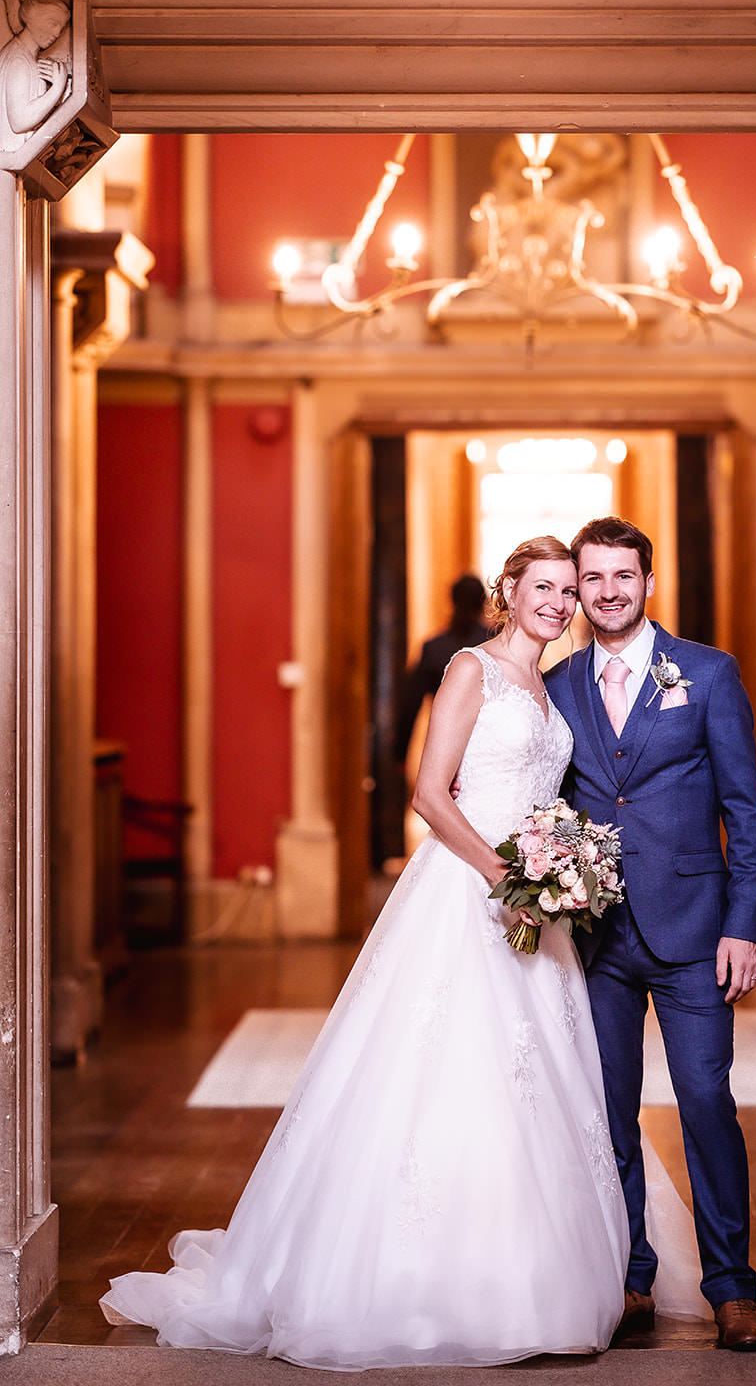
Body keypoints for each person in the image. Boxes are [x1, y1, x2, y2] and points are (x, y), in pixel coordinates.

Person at [101, 537, 705, 1370]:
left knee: (545, 1080)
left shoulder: (553, 682)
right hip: (471, 891)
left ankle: (549, 1275)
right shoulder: (472, 668)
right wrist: (504, 874)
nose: (560, 604)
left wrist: (560, 866)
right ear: (508, 591)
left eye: (569, 591)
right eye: (544, 588)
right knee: (449, 1068)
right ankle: (424, 1280)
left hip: (543, 905)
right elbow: (429, 792)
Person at [545, 515, 756, 1352]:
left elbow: (744, 812)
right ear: (578, 586)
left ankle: (732, 1291)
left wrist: (743, 925)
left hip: (693, 932)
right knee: (607, 1114)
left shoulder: (707, 674)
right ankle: (630, 1277)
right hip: (595, 936)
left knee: (706, 1102)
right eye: (592, 579)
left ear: (648, 582)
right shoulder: (558, 681)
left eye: (622, 577)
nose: (608, 592)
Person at [393, 572, 492, 763]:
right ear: (483, 603)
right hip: (490, 745)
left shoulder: (434, 648)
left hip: (444, 748)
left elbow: (410, 704)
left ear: (452, 601)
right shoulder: (495, 641)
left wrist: (400, 754)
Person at [0, 0, 71, 153]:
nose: (56, 33)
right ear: (33, 19)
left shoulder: (26, 58)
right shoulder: (19, 60)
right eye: (53, 23)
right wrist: (57, 89)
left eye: (60, 28)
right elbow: (19, 122)